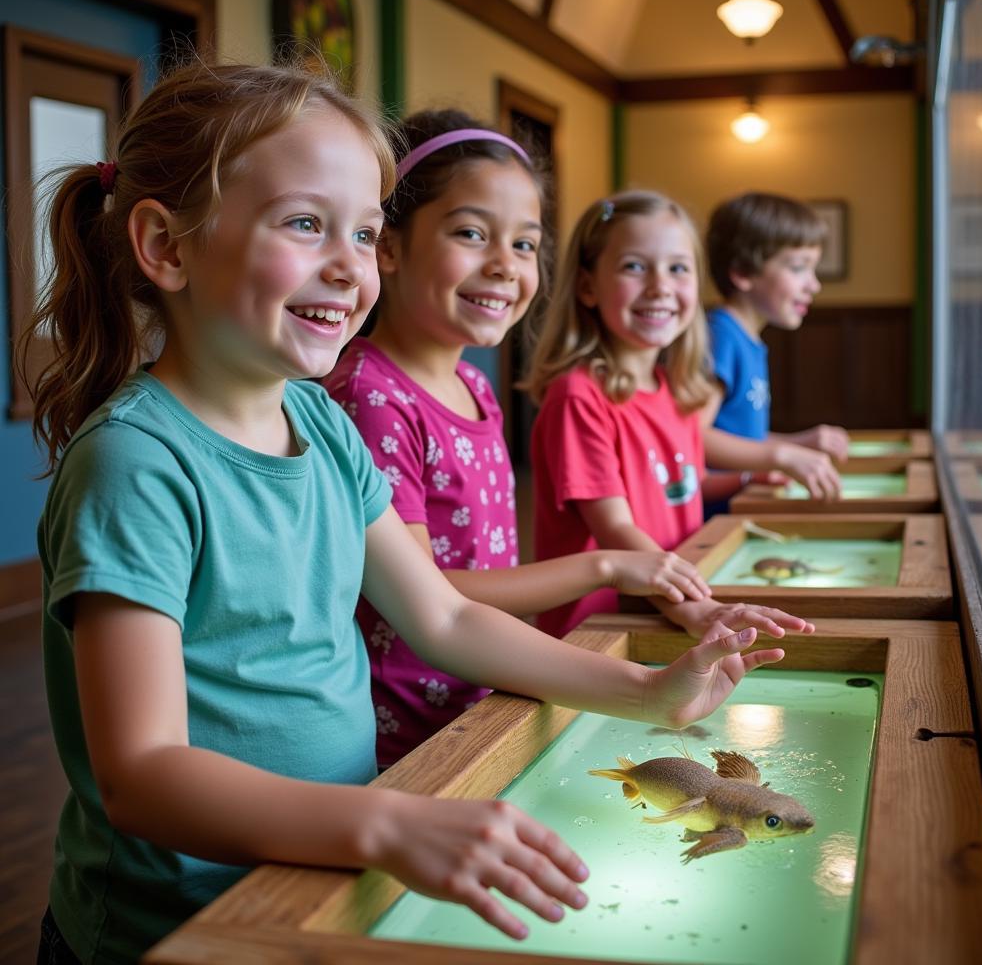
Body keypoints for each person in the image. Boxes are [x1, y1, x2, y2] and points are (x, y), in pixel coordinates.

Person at [23, 63, 790, 965]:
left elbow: (445, 613)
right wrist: (387, 823)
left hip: (326, 869)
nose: (350, 265)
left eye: (364, 231)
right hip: (175, 926)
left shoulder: (317, 420)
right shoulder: (136, 463)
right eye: (306, 224)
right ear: (167, 246)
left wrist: (646, 692)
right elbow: (143, 777)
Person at [324, 109, 714, 768]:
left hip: (487, 692)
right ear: (387, 245)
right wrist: (606, 564)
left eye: (526, 244)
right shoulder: (369, 395)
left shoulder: (476, 388)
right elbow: (431, 594)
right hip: (402, 730)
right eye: (472, 233)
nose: (505, 266)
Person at [524, 190, 820, 639]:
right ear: (587, 286)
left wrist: (743, 480)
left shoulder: (673, 391)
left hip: (665, 612)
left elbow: (680, 488)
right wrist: (692, 609)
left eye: (678, 268)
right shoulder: (578, 397)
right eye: (634, 267)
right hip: (601, 631)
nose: (660, 286)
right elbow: (616, 528)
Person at [702, 192, 846, 514]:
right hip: (713, 524)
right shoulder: (721, 336)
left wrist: (798, 443)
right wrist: (780, 455)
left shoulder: (746, 338)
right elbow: (692, 438)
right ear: (742, 272)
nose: (814, 285)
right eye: (798, 268)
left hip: (740, 509)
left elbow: (738, 436)